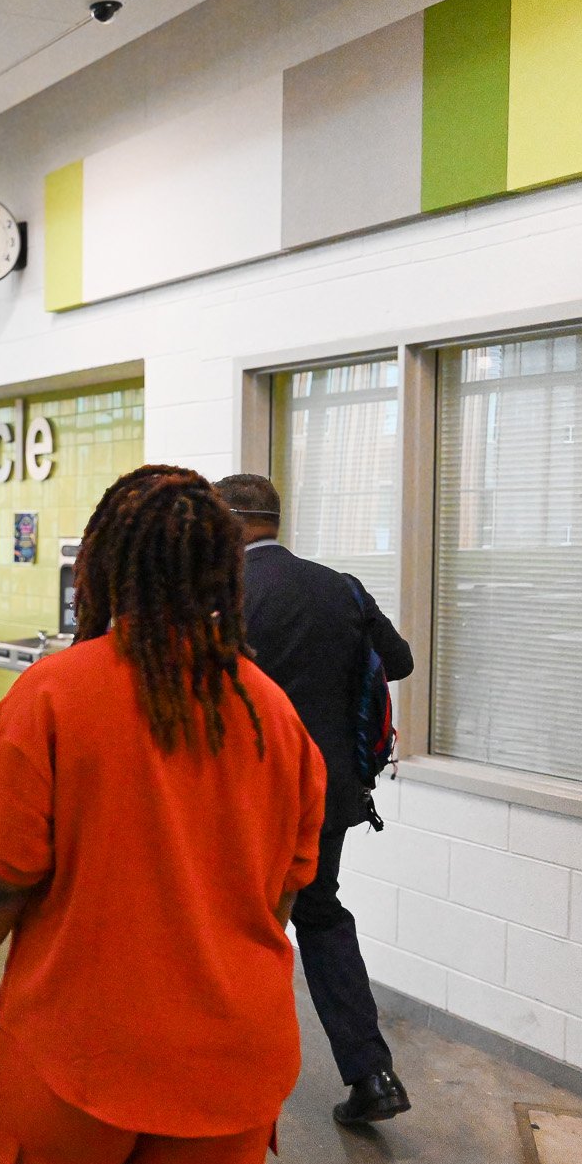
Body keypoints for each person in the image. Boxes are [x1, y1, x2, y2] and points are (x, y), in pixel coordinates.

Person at [0, 465, 326, 1164]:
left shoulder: (53, 698)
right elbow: (280, 893)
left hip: (75, 1055)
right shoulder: (270, 712)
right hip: (229, 1059)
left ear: (105, 567)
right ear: (224, 570)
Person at [213, 472, 417, 1126]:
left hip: (244, 798)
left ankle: (233, 1074)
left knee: (235, 928)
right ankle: (372, 1073)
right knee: (320, 912)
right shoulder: (341, 587)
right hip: (326, 794)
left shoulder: (223, 596)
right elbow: (401, 660)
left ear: (232, 520)